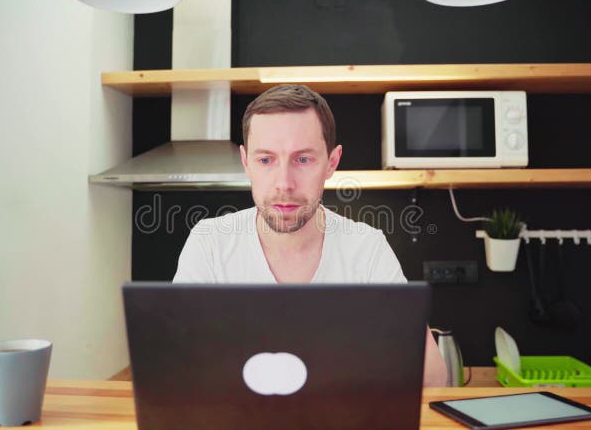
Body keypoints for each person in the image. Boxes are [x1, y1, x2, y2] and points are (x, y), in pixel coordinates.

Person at [173, 84, 447, 386]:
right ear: (246, 162)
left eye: (303, 160)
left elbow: (432, 379)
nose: (284, 183)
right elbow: (177, 369)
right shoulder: (209, 243)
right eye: (266, 160)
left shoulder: (366, 248)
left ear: (332, 162)